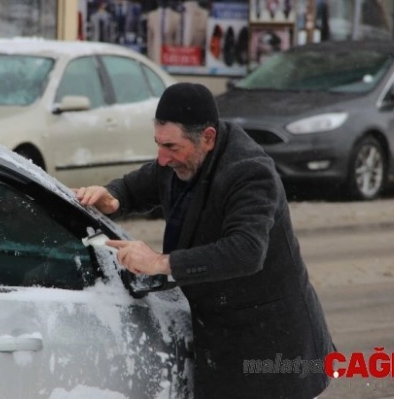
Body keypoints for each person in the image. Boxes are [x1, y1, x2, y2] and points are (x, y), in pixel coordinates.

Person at [75, 82, 334, 398]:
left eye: (171, 147)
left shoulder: (250, 173)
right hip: (223, 337)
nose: (162, 158)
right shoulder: (179, 160)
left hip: (273, 348)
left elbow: (247, 251)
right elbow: (135, 187)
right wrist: (112, 197)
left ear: (208, 138)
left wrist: (160, 263)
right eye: (158, 144)